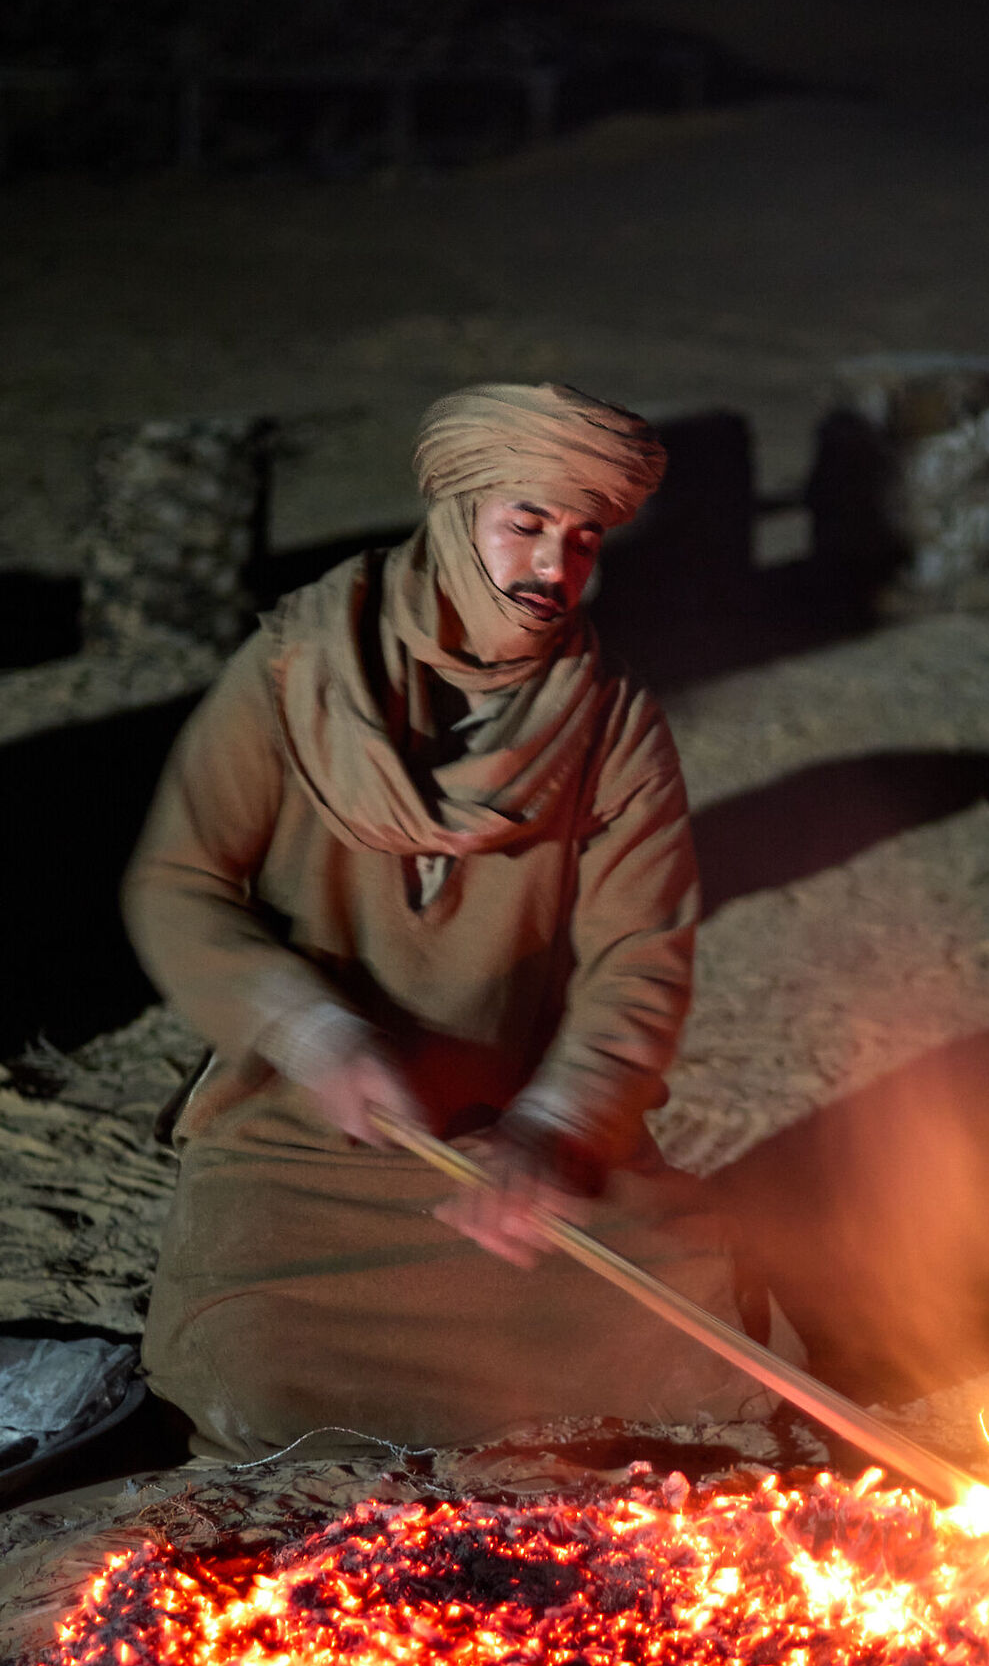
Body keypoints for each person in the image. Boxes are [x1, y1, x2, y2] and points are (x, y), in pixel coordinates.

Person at [124, 382, 784, 1460]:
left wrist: (557, 1123)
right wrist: (312, 1033)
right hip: (303, 1135)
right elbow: (176, 881)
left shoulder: (610, 718)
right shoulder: (296, 671)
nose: (551, 568)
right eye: (524, 524)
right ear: (456, 512)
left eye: (581, 539)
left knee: (694, 1314)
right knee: (248, 1361)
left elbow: (638, 955)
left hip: (507, 1142)